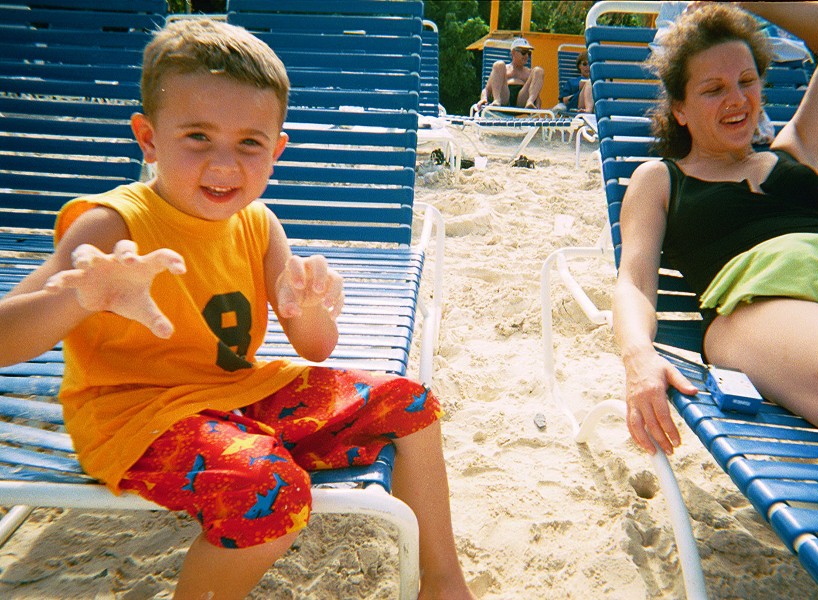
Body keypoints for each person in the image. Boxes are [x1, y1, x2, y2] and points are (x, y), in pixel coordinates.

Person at [0, 18, 476, 600]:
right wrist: (81, 295)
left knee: (413, 403)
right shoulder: (114, 225)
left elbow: (315, 348)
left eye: (249, 142)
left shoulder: (259, 223)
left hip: (236, 394)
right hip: (135, 418)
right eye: (197, 136)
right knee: (272, 489)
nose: (224, 165)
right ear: (148, 137)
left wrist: (309, 308)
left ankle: (445, 583)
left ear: (276, 149)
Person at [612, 2, 818, 462]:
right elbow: (634, 281)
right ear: (680, 109)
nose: (737, 99)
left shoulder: (796, 147)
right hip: (763, 303)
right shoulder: (661, 179)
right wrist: (637, 356)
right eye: (713, 89)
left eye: (747, 81)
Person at [476, 37, 545, 110]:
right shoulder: (502, 70)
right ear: (513, 53)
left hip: (522, 100)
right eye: (523, 52)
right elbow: (487, 89)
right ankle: (496, 100)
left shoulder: (530, 73)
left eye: (529, 53)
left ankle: (530, 102)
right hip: (504, 97)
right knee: (499, 64)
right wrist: (483, 99)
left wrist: (537, 104)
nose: (526, 56)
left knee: (538, 70)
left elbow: (535, 93)